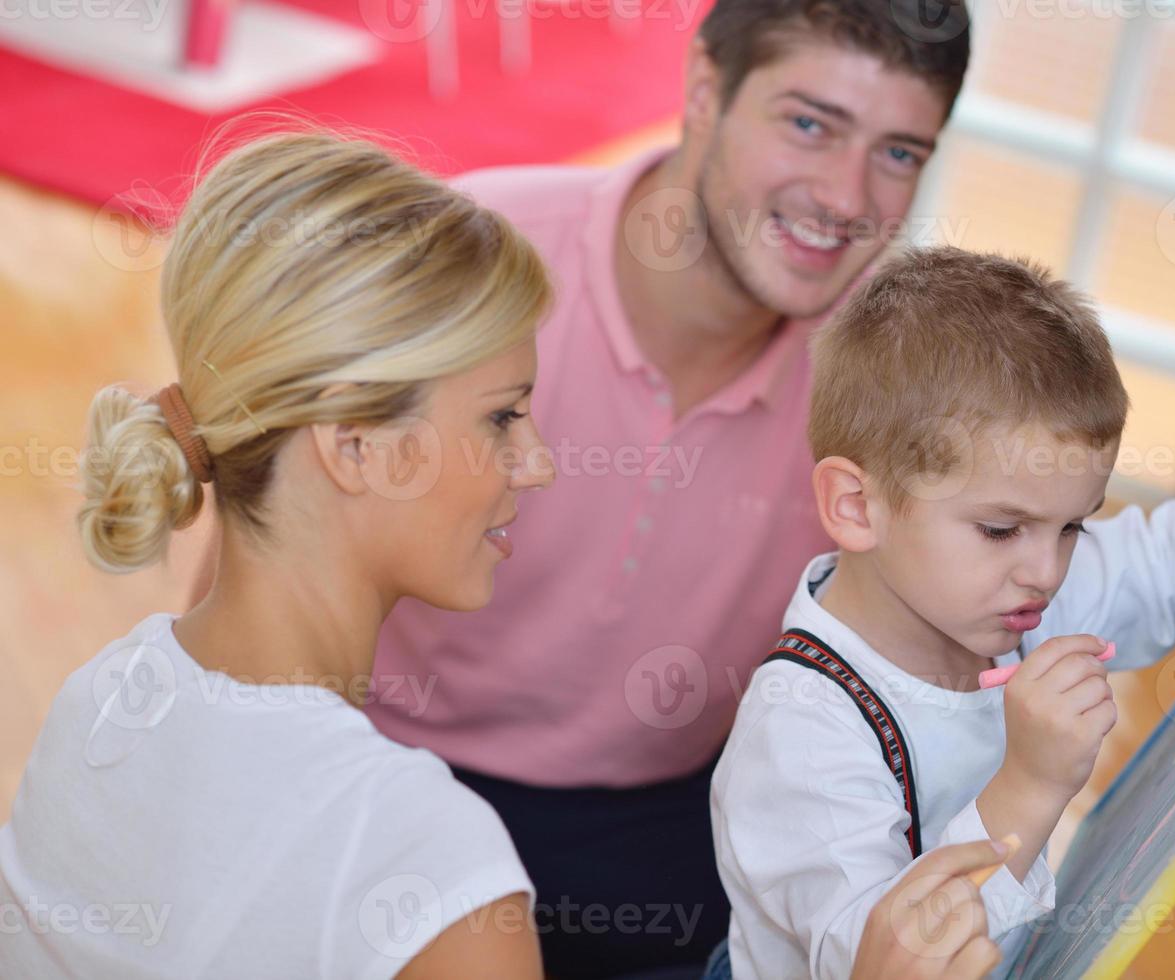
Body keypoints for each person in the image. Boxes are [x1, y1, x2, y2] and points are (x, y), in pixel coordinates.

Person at [2, 130, 1012, 979]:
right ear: (354, 446)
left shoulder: (103, 692)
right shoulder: (433, 868)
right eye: (501, 417)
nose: (535, 463)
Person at [190, 1, 971, 974]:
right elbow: (255, 561)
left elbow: (988, 616)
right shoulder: (475, 251)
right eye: (807, 124)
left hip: (661, 822)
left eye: (898, 153)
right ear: (702, 91)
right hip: (376, 763)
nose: (844, 196)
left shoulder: (895, 368)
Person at [708, 246, 1175, 978]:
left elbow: (1160, 561)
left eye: (1072, 526)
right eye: (999, 529)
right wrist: (1030, 786)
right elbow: (886, 961)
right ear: (858, 507)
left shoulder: (1005, 595)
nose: (1046, 571)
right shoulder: (800, 733)